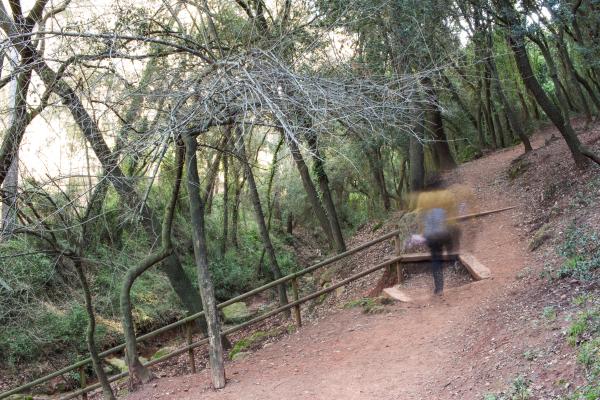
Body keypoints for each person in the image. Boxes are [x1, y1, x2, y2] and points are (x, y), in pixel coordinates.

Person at [414, 180, 460, 295]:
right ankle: (454, 262)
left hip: (430, 234)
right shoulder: (446, 195)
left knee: (435, 259)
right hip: (443, 231)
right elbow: (453, 211)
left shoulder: (423, 198)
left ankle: (439, 288)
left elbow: (420, 216)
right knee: (451, 246)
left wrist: (421, 232)